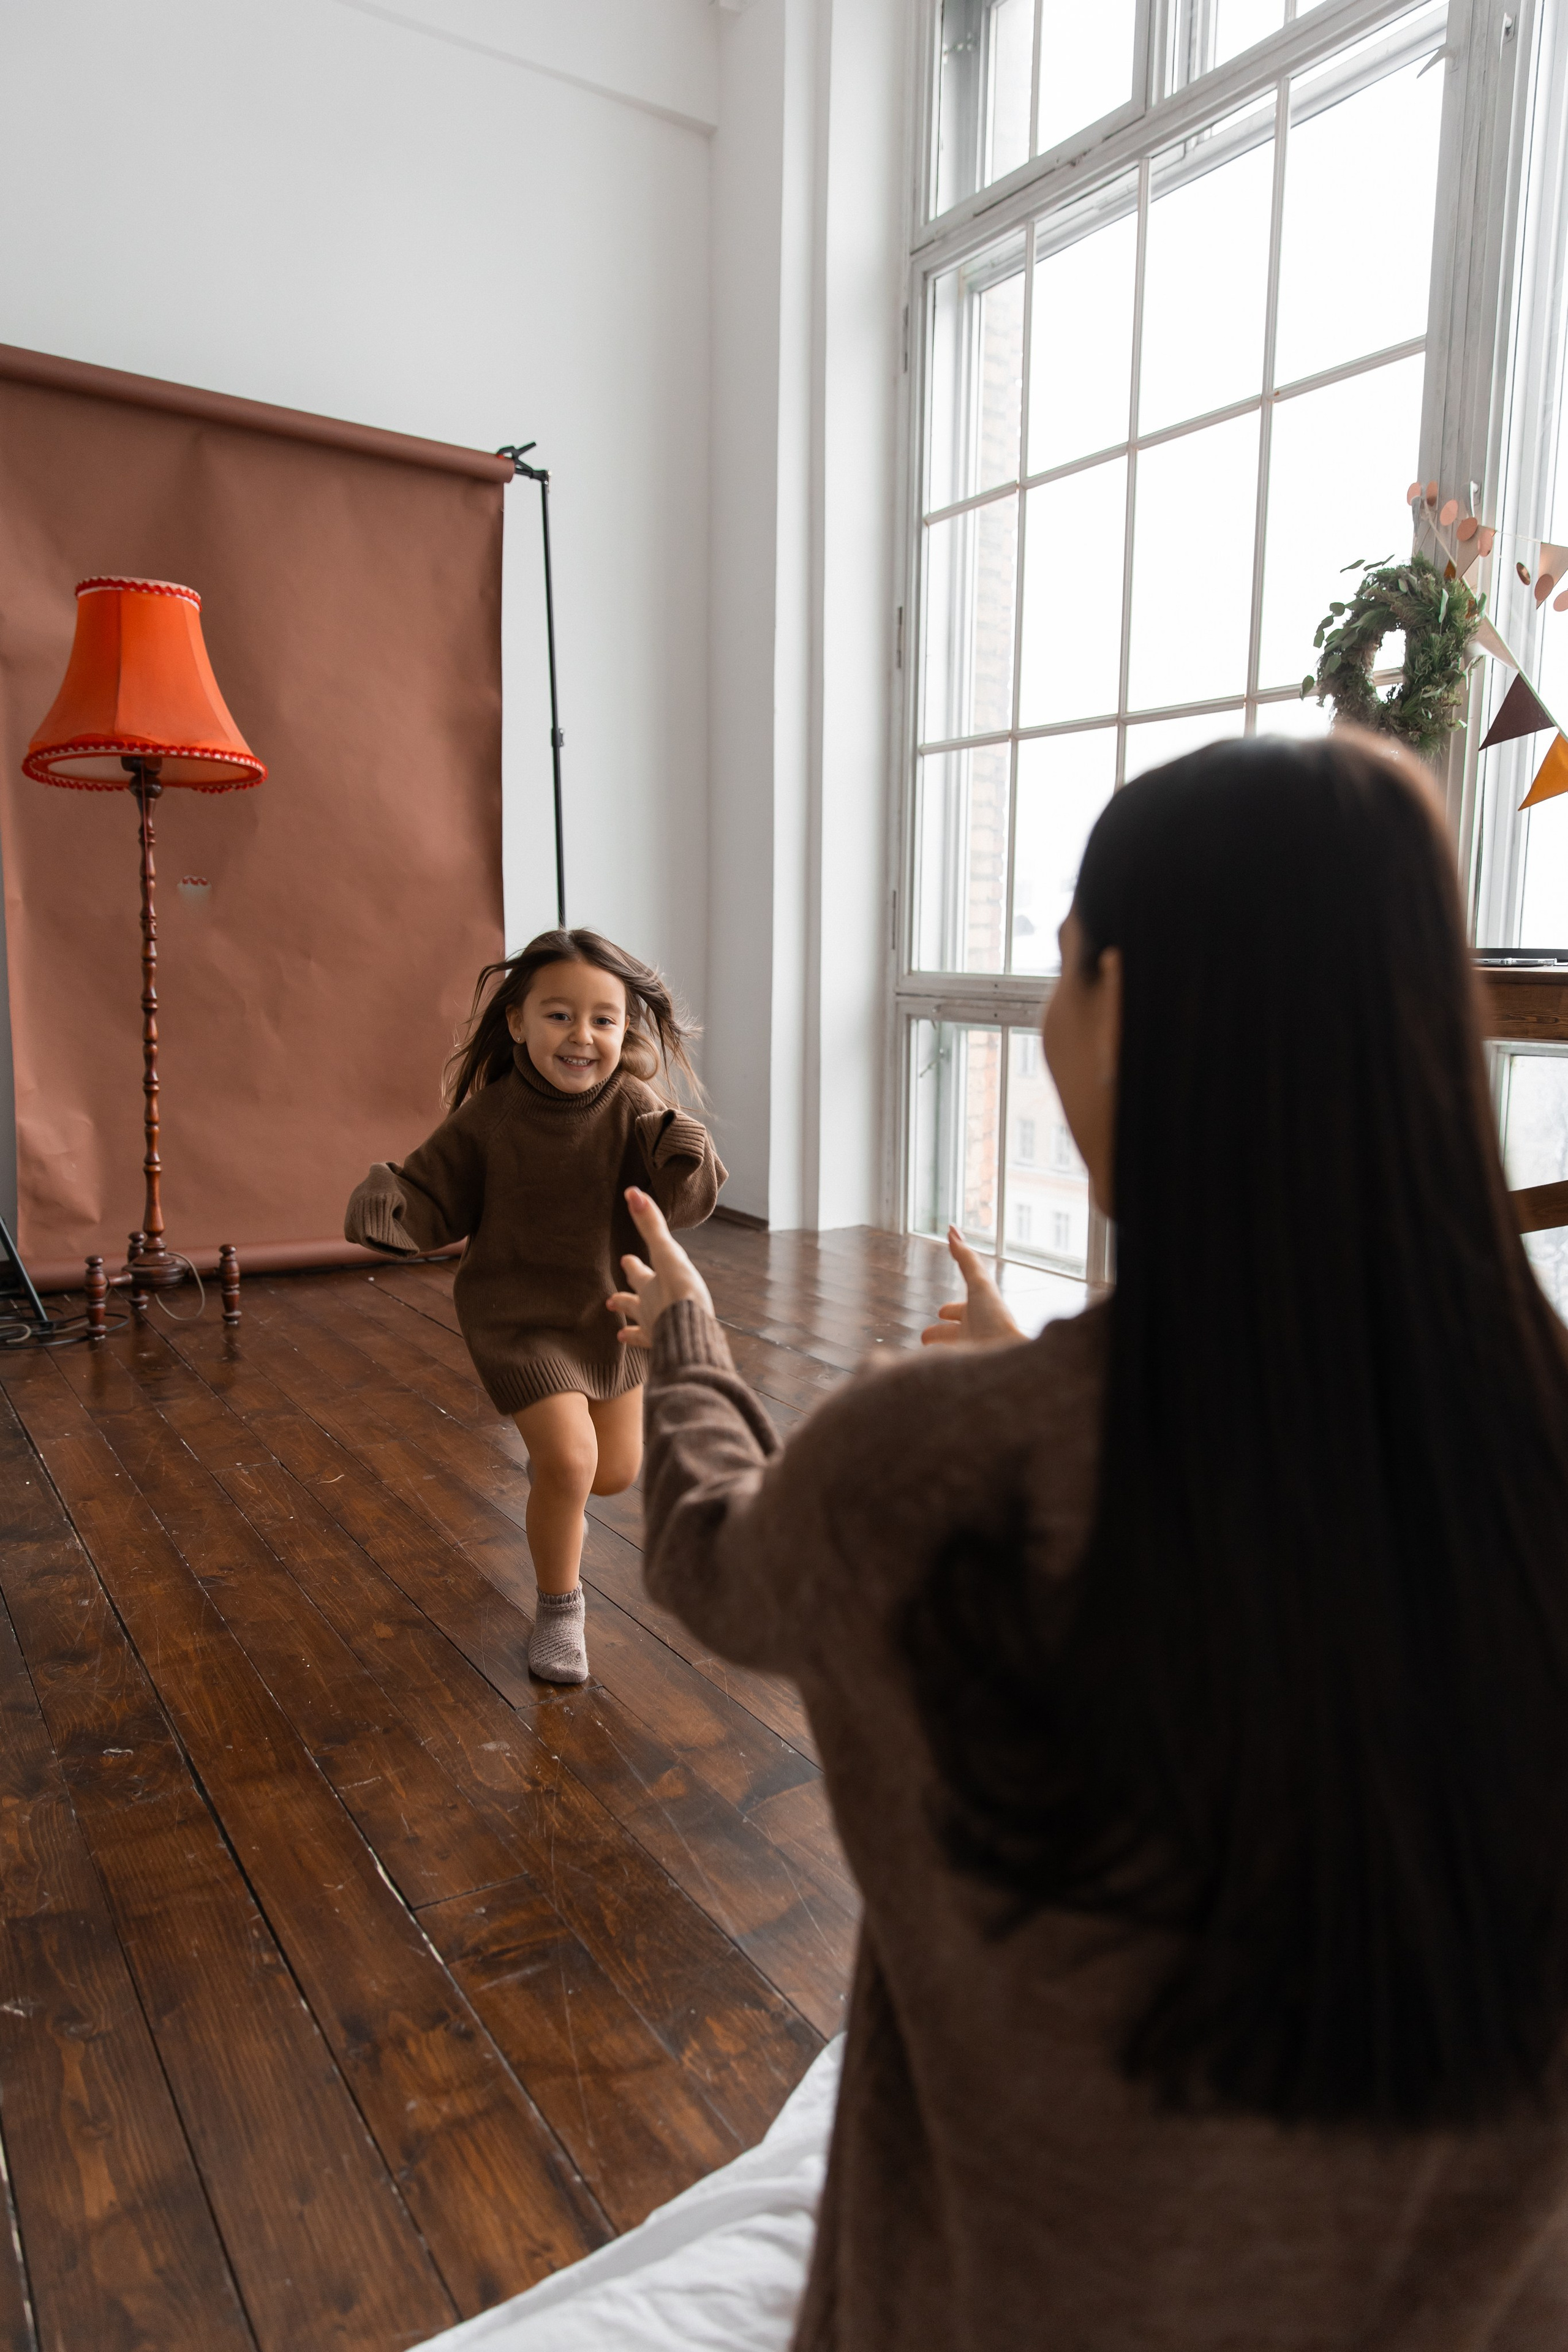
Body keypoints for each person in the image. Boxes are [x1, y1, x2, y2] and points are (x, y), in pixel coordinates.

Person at [605, 733, 1568, 2348]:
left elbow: (714, 1552)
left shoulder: (929, 1469)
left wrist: (690, 1342)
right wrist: (1026, 1382)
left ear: (1117, 1005)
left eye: (1061, 964)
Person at [345, 927, 724, 1684]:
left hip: (615, 1315)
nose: (582, 1036)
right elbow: (432, 1193)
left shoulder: (636, 1105)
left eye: (603, 1020)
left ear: (625, 1029)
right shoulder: (492, 1117)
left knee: (612, 1472)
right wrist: (389, 1206)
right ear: (518, 1022)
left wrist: (682, 1154)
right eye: (559, 1015)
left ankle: (557, 1477)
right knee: (572, 1460)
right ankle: (560, 1609)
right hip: (518, 1319)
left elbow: (685, 1203)